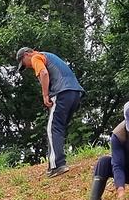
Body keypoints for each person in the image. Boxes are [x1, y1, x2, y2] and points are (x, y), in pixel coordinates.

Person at [16, 47, 84, 177]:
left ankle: (57, 165)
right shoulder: (50, 56)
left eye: (24, 63)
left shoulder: (36, 57)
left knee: (53, 129)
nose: (28, 66)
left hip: (62, 92)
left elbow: (44, 73)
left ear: (27, 54)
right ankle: (55, 163)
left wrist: (45, 95)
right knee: (59, 128)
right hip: (75, 93)